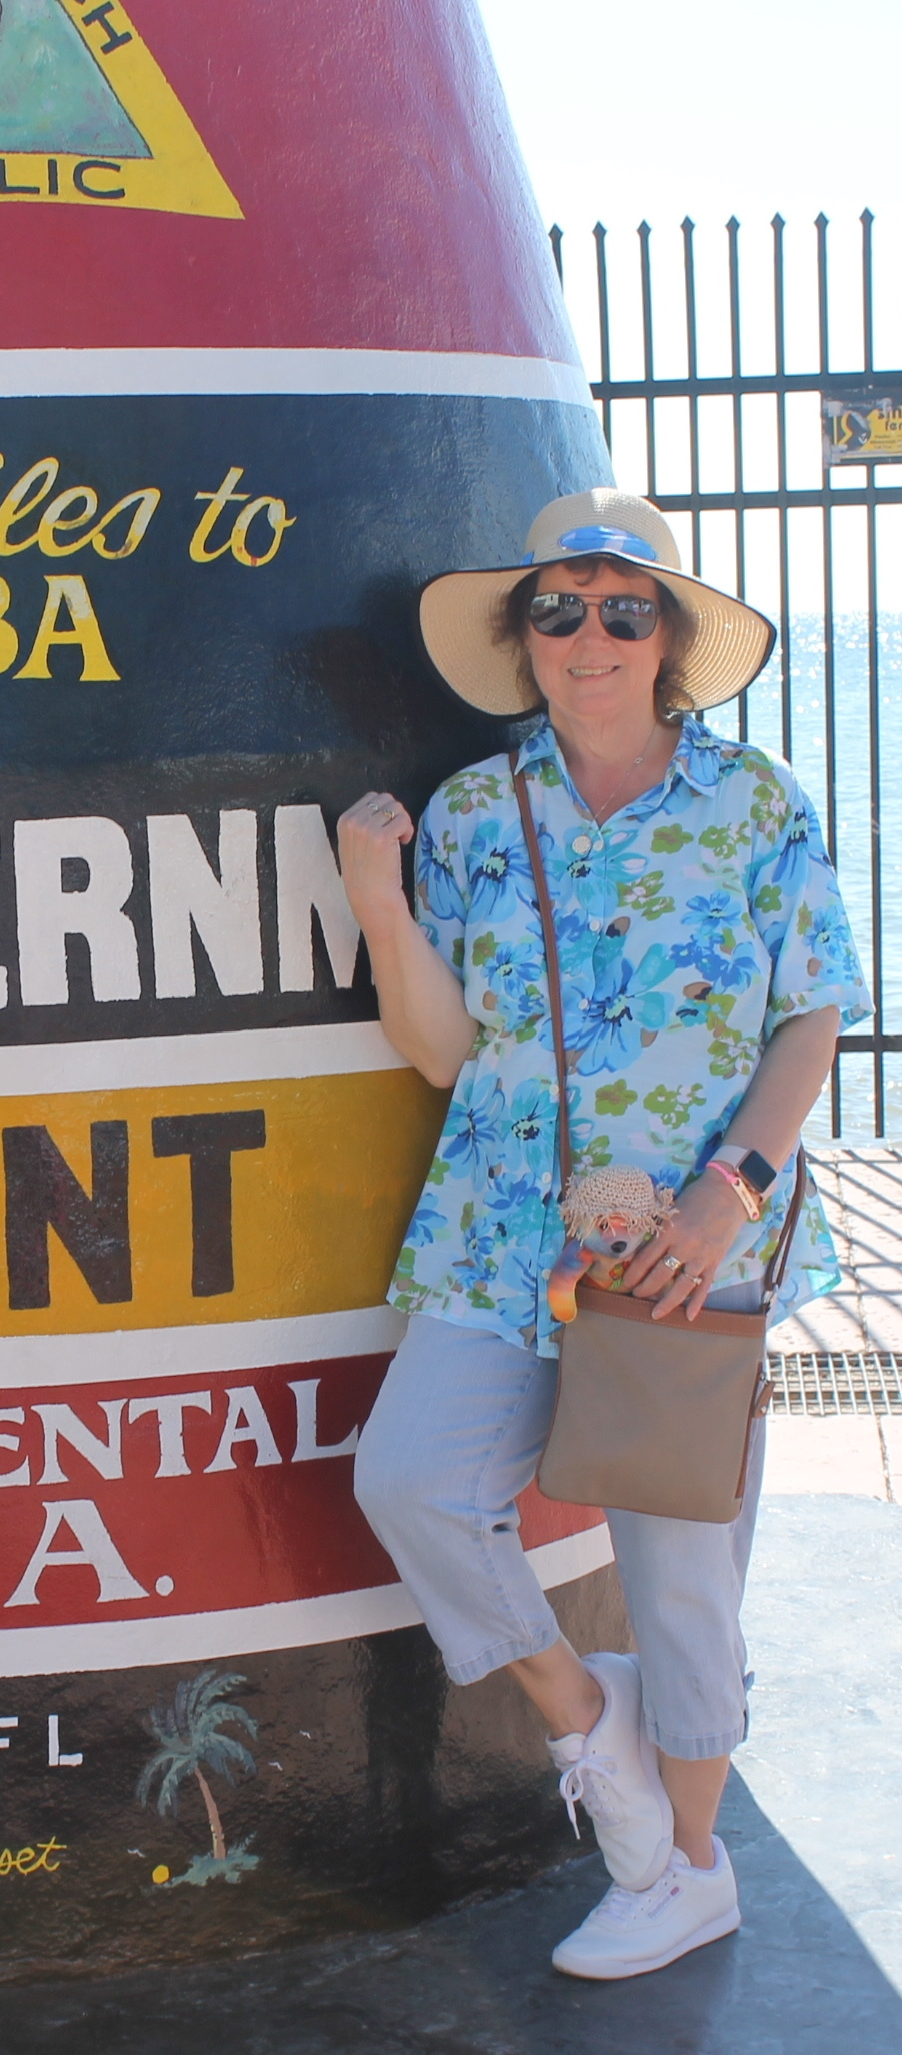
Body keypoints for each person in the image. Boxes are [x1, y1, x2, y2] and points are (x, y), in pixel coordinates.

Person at [339, 488, 867, 1981]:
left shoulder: (753, 805)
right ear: (523, 637)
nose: (590, 635)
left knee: (686, 1579)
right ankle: (597, 1735)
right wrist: (382, 907)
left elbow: (811, 1011)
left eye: (623, 609)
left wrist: (729, 1194)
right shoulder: (469, 815)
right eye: (558, 608)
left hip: (694, 1249)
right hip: (505, 1227)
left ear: (670, 638)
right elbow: (441, 1048)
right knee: (418, 1482)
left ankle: (682, 1871)